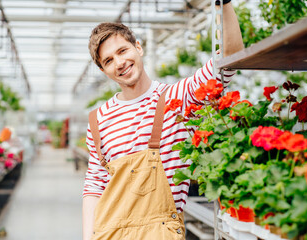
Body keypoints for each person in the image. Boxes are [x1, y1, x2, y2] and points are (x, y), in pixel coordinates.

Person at [83, 1, 244, 239]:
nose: (119, 63)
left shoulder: (177, 98)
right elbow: (95, 185)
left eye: (122, 51)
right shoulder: (99, 119)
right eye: (108, 61)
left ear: (138, 47)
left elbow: (229, 59)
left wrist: (225, 3)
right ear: (103, 70)